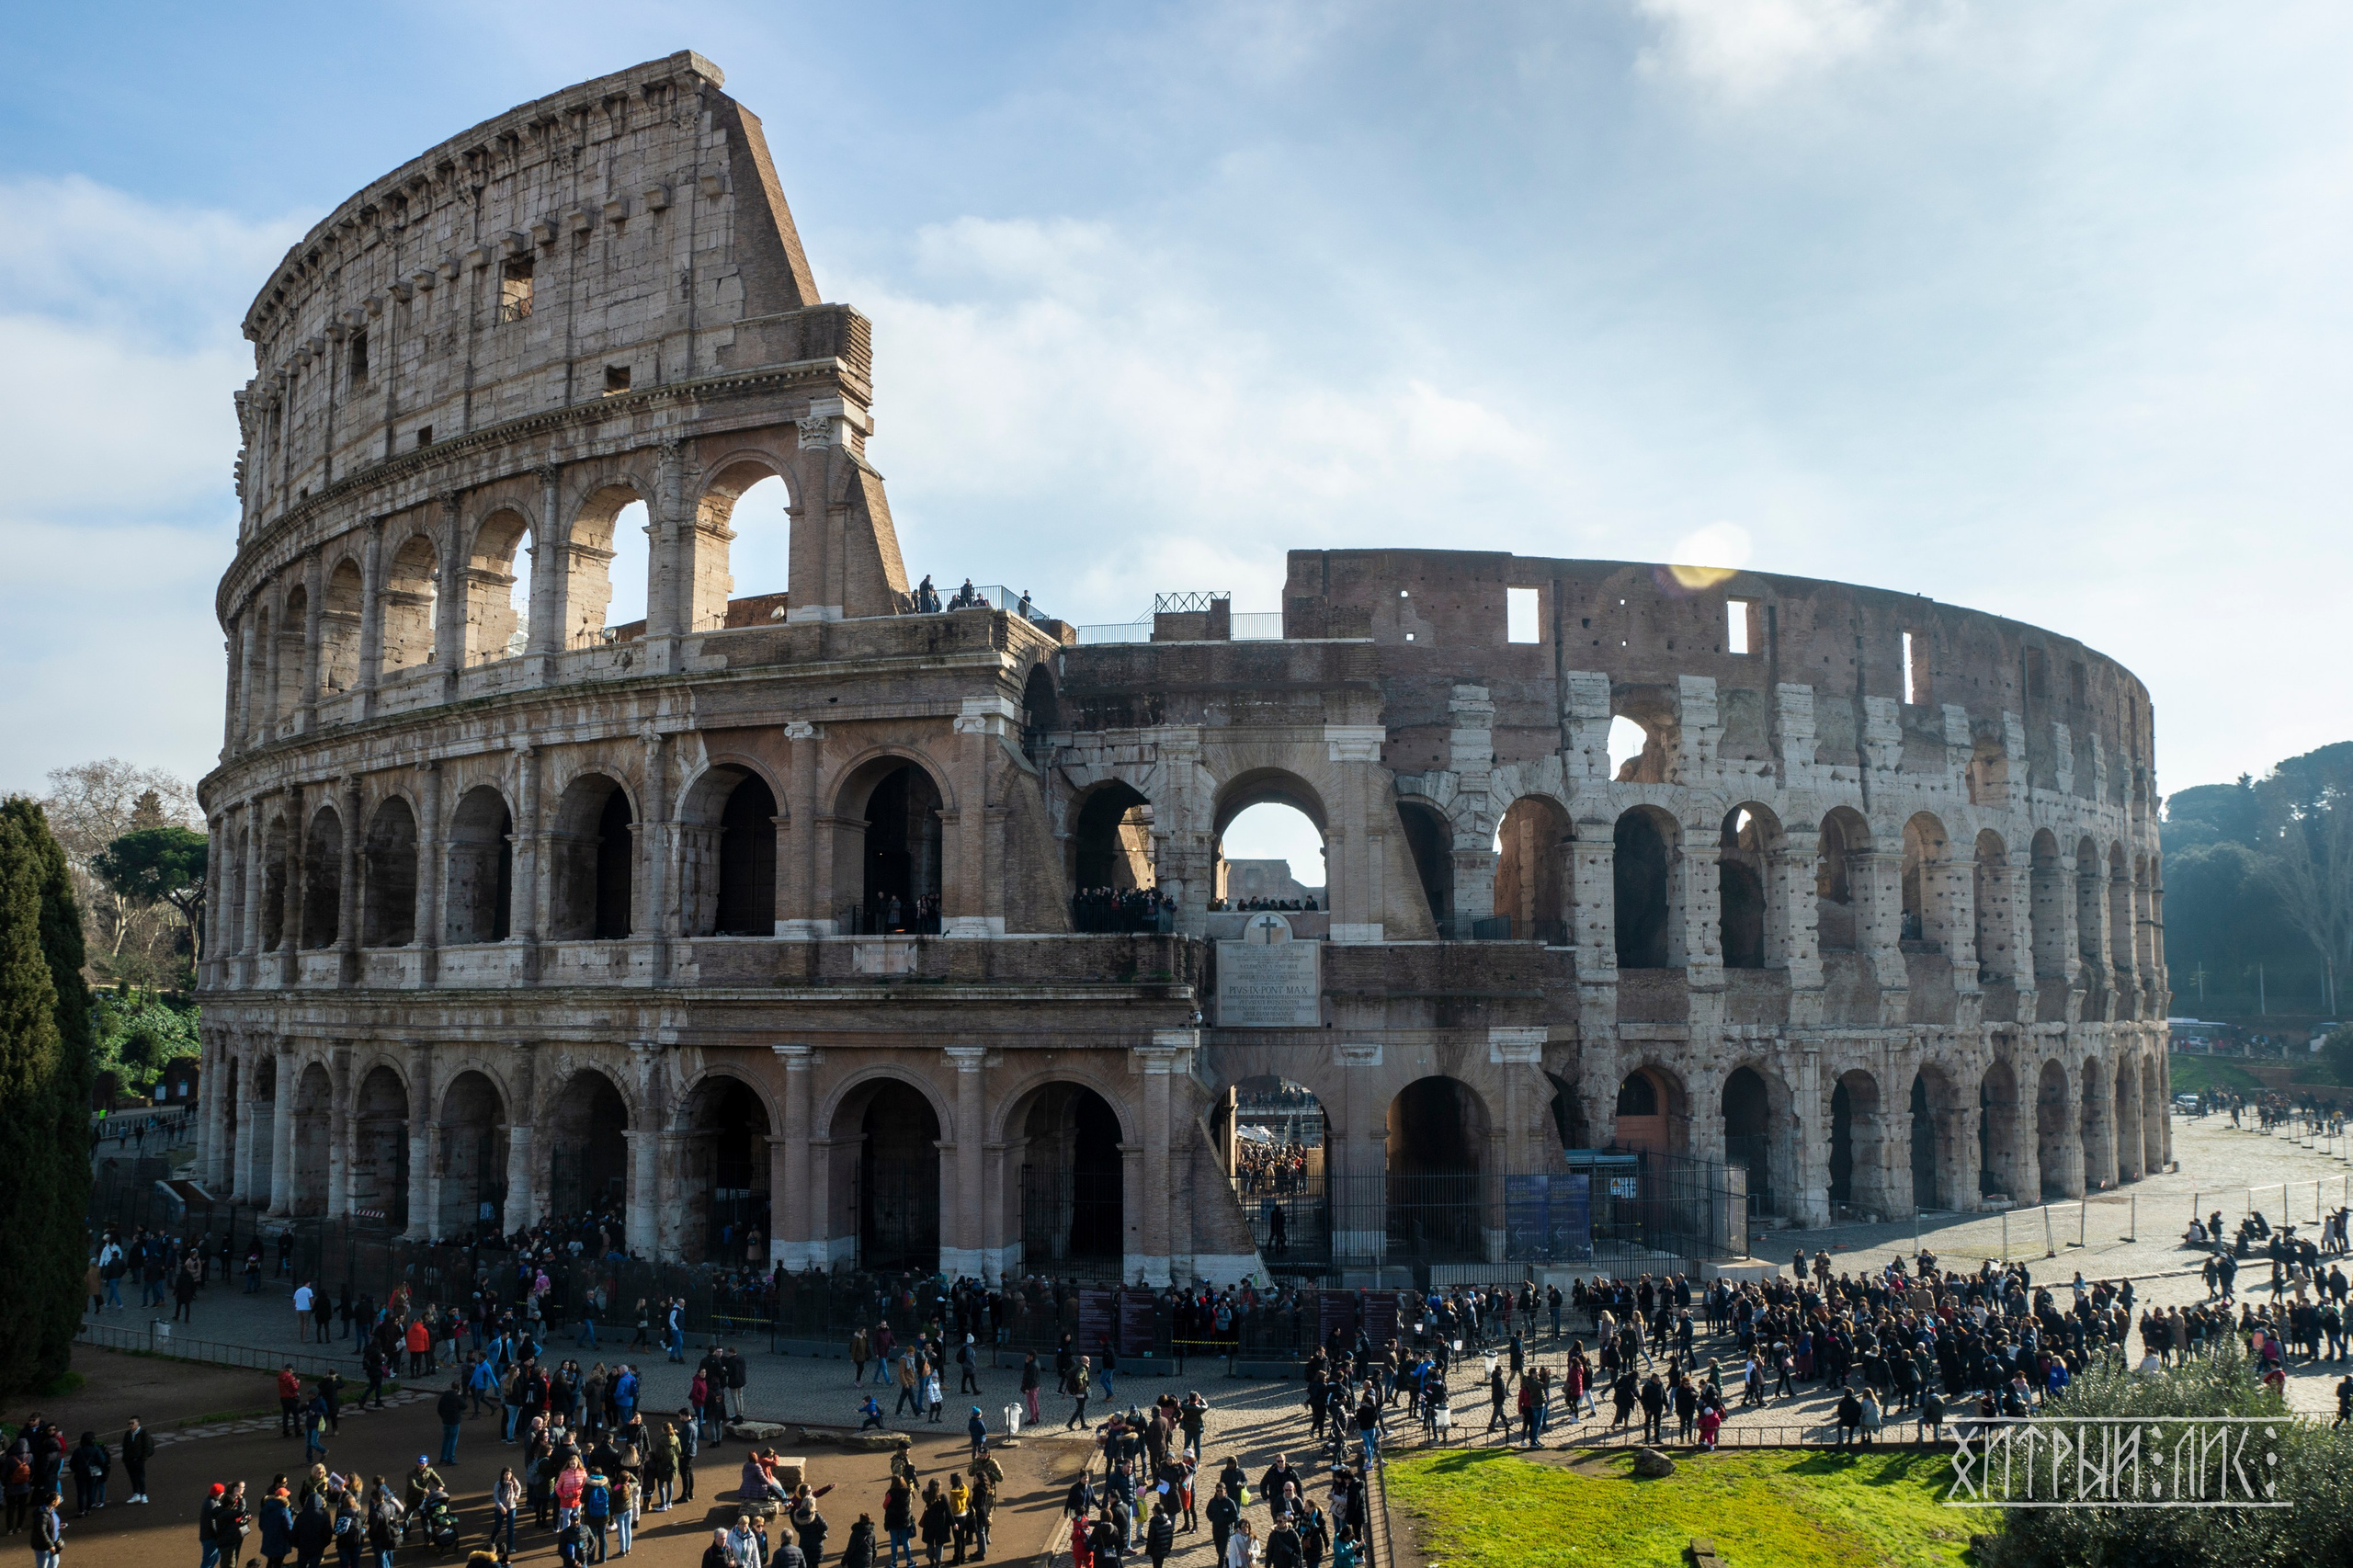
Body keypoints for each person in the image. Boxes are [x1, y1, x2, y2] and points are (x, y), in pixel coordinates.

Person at [66, 1433, 108, 1517]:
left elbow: (72, 1464)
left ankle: (81, 1511)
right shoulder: (95, 1449)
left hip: (80, 1474)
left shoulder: (78, 1450)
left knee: (80, 1493)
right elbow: (103, 1461)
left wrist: (76, 1470)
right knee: (90, 1491)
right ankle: (88, 1509)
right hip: (92, 1474)